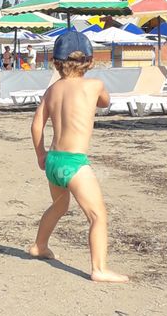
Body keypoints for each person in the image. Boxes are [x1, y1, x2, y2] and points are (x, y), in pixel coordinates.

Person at [29, 30, 128, 283]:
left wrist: (41, 154)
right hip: (74, 164)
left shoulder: (52, 91)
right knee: (97, 216)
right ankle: (99, 268)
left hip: (54, 161)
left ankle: (40, 245)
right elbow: (105, 103)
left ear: (56, 61)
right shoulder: (94, 86)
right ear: (90, 61)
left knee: (59, 206)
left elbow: (36, 125)